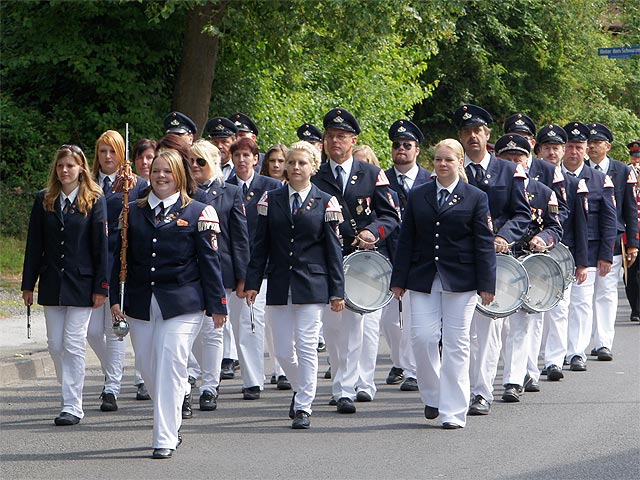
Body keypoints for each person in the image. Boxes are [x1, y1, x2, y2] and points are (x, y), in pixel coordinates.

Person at [110, 149, 227, 459]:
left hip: (183, 302)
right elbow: (119, 258)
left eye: (168, 171)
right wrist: (114, 300)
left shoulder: (198, 212)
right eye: (156, 170)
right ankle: (180, 393)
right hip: (140, 300)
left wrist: (218, 305)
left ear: (180, 176)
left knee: (170, 363)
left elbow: (210, 263)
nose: (161, 176)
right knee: (149, 368)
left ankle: (164, 437)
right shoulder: (130, 209)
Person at [390, 138, 496, 429]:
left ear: (460, 162)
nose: (442, 164)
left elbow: (484, 243)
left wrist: (487, 283)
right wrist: (398, 279)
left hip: (462, 279)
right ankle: (434, 395)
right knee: (421, 339)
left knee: (456, 344)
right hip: (423, 276)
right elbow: (406, 239)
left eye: (448, 159)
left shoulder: (475, 196)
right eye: (438, 159)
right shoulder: (418, 194)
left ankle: (453, 411)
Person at [245, 141, 345, 429]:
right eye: (291, 163)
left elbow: (333, 250)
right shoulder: (270, 200)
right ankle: (302, 386)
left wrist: (337, 290)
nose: (295, 168)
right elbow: (260, 245)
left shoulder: (326, 201)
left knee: (305, 346)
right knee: (281, 351)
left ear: (313, 167)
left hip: (312, 284)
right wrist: (252, 282)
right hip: (278, 281)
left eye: (302, 163)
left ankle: (304, 405)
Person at [311, 107, 399, 414]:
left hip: (362, 260)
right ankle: (342, 378)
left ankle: (349, 387)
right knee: (333, 328)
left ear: (353, 140)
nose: (335, 141)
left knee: (358, 325)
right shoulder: (316, 176)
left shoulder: (373, 175)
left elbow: (391, 216)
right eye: (330, 136)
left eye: (341, 137)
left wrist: (374, 231)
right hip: (326, 259)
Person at [21, 144, 109, 426]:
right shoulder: (44, 199)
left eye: (70, 166)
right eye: (60, 166)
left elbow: (101, 247)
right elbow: (34, 245)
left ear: (81, 168)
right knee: (55, 345)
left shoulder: (95, 199)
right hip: (52, 282)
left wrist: (101, 287)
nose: (65, 171)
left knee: (73, 344)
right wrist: (27, 284)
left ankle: (72, 405)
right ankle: (68, 390)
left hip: (82, 283)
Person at [453, 104, 530, 416]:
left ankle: (480, 392)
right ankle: (459, 388)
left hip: (494, 259)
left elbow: (522, 214)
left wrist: (504, 236)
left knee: (487, 330)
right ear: (460, 136)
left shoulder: (508, 170)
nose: (473, 136)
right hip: (457, 260)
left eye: (479, 131)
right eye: (467, 131)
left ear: (488, 135)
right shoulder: (451, 169)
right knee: (459, 332)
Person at [493, 133, 563, 401]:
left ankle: (513, 380)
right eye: (508, 158)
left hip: (526, 263)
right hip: (495, 262)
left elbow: (555, 226)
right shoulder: (489, 189)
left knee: (522, 324)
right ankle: (512, 371)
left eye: (518, 157)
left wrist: (542, 239)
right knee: (497, 327)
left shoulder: (543, 192)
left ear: (528, 158)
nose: (514, 163)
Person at [188, 139, 250, 411]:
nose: (194, 166)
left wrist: (242, 276)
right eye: (190, 161)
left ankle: (209, 386)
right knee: (191, 331)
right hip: (188, 269)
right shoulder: (182, 191)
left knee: (213, 331)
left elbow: (239, 238)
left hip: (219, 269)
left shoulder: (231, 192)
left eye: (200, 161)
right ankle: (192, 374)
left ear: (214, 162)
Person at [88, 130, 148, 412]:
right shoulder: (88, 183)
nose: (108, 157)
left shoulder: (136, 185)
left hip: (119, 262)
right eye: (103, 151)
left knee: (115, 328)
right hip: (90, 263)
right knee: (90, 332)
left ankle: (111, 387)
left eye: (113, 151)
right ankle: (111, 371)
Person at [227, 137, 282, 400]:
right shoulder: (225, 188)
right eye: (236, 155)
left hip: (267, 265)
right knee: (244, 324)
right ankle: (251, 377)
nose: (241, 160)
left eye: (246, 156)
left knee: (264, 322)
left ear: (255, 159)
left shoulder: (271, 187)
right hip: (239, 267)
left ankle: (268, 375)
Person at [534, 124, 589, 382]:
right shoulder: (530, 178)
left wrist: (581, 263)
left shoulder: (573, 183)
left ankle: (554, 360)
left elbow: (580, 225)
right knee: (535, 309)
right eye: (547, 148)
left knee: (560, 307)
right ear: (539, 150)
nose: (552, 152)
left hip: (561, 254)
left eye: (557, 147)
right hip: (532, 253)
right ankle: (534, 359)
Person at [381, 119, 432, 392]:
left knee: (415, 317)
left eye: (407, 145)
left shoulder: (430, 180)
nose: (401, 149)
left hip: (421, 258)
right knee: (390, 320)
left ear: (417, 151)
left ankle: (412, 371)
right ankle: (399, 361)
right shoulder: (381, 179)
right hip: (388, 256)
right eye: (397, 145)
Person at [561, 122, 617, 372]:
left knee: (582, 303)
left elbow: (608, 219)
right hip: (559, 250)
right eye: (570, 146)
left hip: (591, 250)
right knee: (560, 305)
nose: (574, 151)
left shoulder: (599, 179)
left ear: (585, 149)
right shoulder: (552, 176)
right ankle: (558, 351)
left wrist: (606, 254)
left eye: (579, 147)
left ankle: (577, 352)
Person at [585, 123, 638, 360]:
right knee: (583, 293)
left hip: (613, 240)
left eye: (597, 142)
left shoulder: (621, 170)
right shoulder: (580, 169)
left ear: (607, 146)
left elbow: (630, 208)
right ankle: (579, 344)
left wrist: (634, 242)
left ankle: (603, 342)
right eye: (590, 142)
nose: (592, 146)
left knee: (606, 292)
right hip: (585, 239)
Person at [624, 139, 640, 322]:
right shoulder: (626, 172)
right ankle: (634, 307)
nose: (636, 160)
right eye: (634, 156)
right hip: (630, 233)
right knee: (631, 272)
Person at [204, 116, 238, 181]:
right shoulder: (203, 166)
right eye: (215, 142)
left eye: (224, 142)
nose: (219, 146)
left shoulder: (240, 166)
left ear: (234, 142)